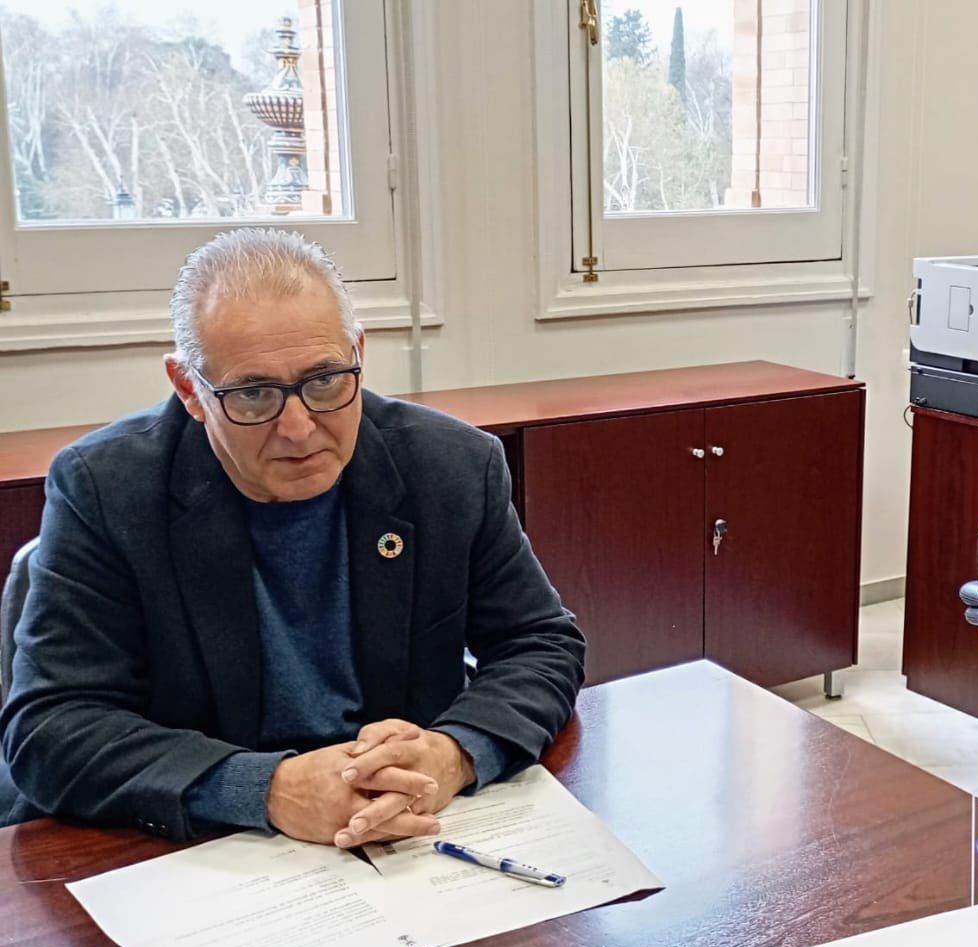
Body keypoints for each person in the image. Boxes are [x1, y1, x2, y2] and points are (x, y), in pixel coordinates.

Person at [0, 228, 586, 849]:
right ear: (189, 389)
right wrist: (265, 788)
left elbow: (540, 642)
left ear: (358, 352)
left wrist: (453, 753)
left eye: (326, 380)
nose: (300, 428)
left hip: (407, 837)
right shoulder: (107, 488)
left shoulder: (450, 467)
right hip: (206, 846)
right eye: (252, 394)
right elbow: (51, 727)